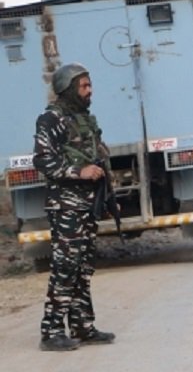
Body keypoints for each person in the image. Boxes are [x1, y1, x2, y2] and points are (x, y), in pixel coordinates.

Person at [34, 63, 115, 351]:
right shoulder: (50, 119)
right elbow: (43, 160)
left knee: (83, 267)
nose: (89, 90)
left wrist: (107, 196)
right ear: (67, 89)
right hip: (65, 205)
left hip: (87, 204)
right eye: (84, 86)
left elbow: (97, 157)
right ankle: (51, 331)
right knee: (65, 267)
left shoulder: (84, 119)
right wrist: (78, 172)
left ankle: (82, 327)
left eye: (89, 85)